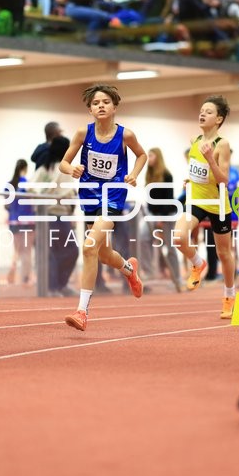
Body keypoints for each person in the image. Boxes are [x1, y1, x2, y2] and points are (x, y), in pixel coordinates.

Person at [60, 84, 146, 331]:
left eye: (106, 102)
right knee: (103, 254)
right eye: (96, 103)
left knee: (89, 247)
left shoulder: (125, 135)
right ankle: (129, 269)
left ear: (114, 107)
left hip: (112, 197)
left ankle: (82, 312)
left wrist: (133, 174)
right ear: (90, 110)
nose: (101, 106)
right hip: (89, 195)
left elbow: (142, 155)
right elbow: (63, 163)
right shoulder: (83, 133)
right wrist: (72, 169)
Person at [173, 95, 237, 319]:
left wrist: (210, 159)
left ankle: (229, 296)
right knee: (179, 237)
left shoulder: (222, 144)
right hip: (196, 199)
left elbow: (223, 180)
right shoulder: (195, 140)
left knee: (223, 253)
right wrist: (191, 179)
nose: (202, 114)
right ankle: (198, 263)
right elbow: (198, 171)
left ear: (219, 119)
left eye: (208, 112)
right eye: (201, 111)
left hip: (218, 203)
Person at [31, 135, 78, 297]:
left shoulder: (43, 169)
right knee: (69, 251)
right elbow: (70, 193)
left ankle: (55, 286)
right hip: (57, 215)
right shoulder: (61, 169)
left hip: (47, 215)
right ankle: (55, 286)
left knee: (52, 252)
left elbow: (31, 187)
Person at [144, 147, 181, 289]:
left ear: (157, 157)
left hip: (167, 214)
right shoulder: (149, 175)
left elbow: (168, 198)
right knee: (142, 237)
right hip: (153, 214)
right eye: (148, 156)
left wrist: (162, 218)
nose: (148, 158)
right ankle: (148, 271)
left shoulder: (166, 175)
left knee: (170, 248)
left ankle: (177, 278)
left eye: (151, 156)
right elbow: (149, 198)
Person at [6, 159, 33, 285]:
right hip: (27, 221)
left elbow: (6, 205)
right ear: (25, 169)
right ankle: (25, 278)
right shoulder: (27, 184)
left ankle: (13, 265)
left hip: (13, 221)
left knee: (17, 250)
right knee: (27, 251)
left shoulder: (9, 185)